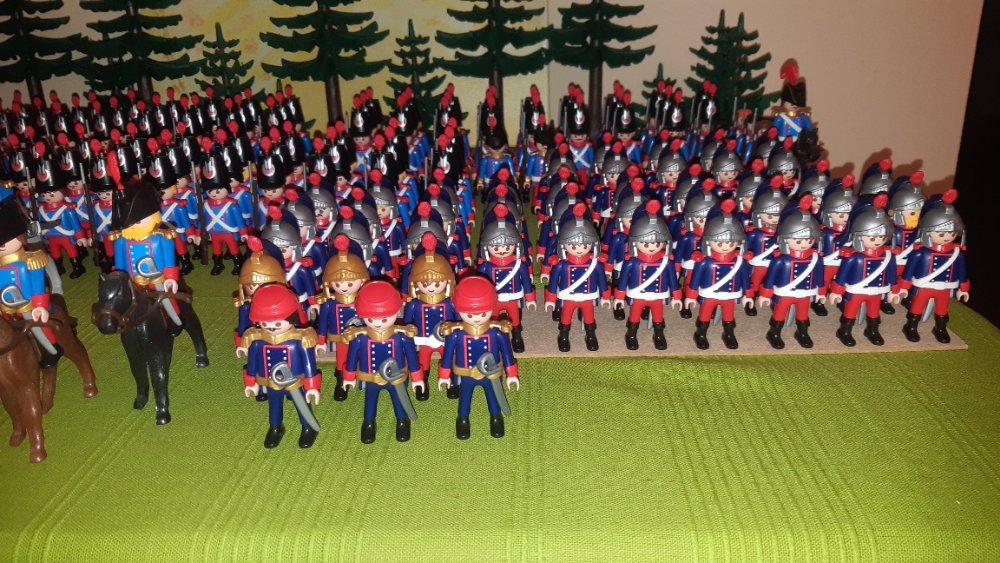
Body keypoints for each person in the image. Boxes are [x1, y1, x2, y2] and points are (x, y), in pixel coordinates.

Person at [438, 276, 520, 439]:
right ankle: (463, 421)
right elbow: (447, 356)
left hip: (491, 375)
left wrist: (512, 374)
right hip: (466, 374)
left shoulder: (497, 333)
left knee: (493, 399)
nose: (476, 318)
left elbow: (507, 354)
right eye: (470, 314)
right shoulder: (456, 334)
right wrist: (444, 375)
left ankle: (496, 419)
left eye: (482, 313)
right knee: (464, 400)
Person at [241, 283, 321, 449]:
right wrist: (251, 382)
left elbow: (309, 364)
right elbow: (252, 363)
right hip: (271, 382)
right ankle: (276, 427)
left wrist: (312, 386)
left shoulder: (298, 341)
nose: (271, 327)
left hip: (295, 382)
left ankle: (308, 426)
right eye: (265, 323)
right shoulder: (258, 342)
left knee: (301, 405)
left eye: (277, 323)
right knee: (274, 405)